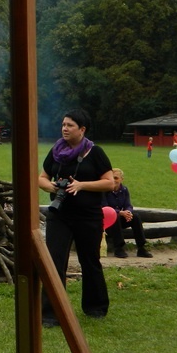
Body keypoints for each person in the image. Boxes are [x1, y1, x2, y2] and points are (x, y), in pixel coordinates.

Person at [39, 108, 114, 326]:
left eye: (70, 125)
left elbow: (109, 182)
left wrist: (82, 185)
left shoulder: (96, 152)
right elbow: (41, 177)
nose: (65, 128)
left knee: (89, 261)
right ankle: (51, 314)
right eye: (63, 124)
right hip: (59, 215)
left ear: (82, 129)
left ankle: (95, 307)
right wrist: (51, 186)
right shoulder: (56, 150)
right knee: (54, 262)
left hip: (88, 216)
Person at [104, 169, 152, 258]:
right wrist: (120, 212)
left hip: (119, 218)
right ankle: (118, 248)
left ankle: (141, 247)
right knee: (116, 216)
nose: (114, 180)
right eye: (112, 178)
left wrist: (128, 212)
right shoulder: (105, 190)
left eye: (116, 178)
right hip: (107, 221)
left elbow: (128, 205)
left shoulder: (124, 190)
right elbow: (105, 207)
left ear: (122, 179)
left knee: (136, 217)